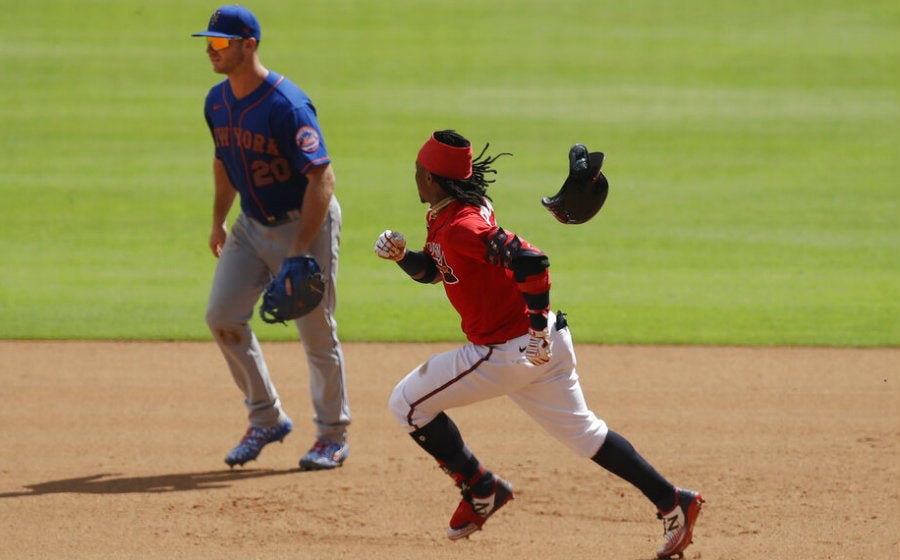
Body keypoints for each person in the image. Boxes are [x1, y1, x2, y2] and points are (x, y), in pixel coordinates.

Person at [374, 130, 703, 558]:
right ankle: (672, 501)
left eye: (419, 170)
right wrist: (403, 258)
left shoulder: (463, 226)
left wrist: (535, 333)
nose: (415, 176)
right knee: (587, 435)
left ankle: (480, 488)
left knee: (407, 404)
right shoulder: (452, 213)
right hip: (540, 345)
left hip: (507, 351)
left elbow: (531, 261)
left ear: (433, 179)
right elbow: (438, 272)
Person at [192, 5, 350, 471]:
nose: (210, 50)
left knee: (316, 333)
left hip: (305, 224)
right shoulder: (216, 102)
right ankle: (266, 418)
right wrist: (219, 221)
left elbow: (322, 179)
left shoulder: (287, 105)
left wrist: (300, 250)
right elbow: (224, 162)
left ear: (249, 45)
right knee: (222, 316)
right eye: (209, 42)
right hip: (251, 224)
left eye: (220, 43)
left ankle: (332, 436)